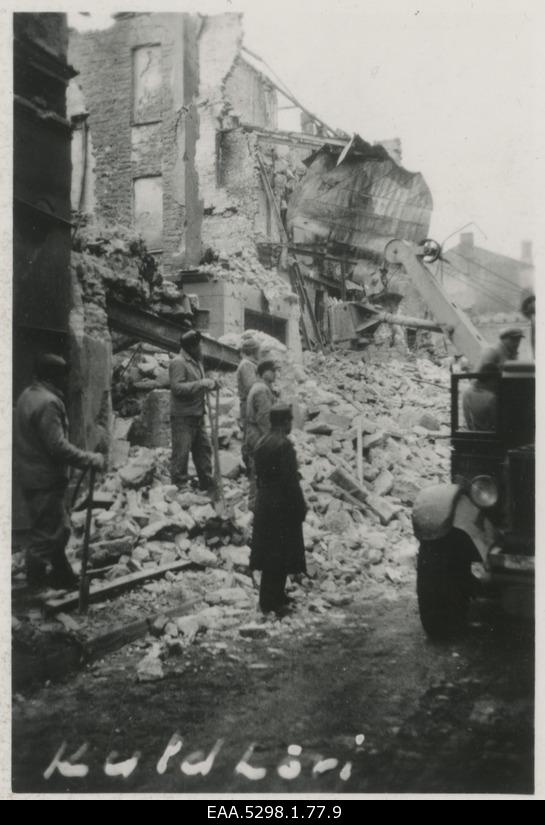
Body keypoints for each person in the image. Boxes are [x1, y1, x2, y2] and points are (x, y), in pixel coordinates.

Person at [13, 353, 105, 589]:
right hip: (45, 479)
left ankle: (63, 576)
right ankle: (35, 585)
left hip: (31, 476)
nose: (66, 381)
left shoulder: (27, 396)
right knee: (49, 535)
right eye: (62, 376)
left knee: (54, 528)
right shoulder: (49, 403)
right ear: (53, 377)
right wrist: (89, 459)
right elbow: (57, 446)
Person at [249, 404, 307, 616]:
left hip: (265, 501)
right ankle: (271, 602)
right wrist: (300, 506)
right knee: (280, 553)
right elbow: (291, 481)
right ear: (285, 422)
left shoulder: (261, 441)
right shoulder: (284, 445)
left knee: (270, 552)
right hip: (282, 504)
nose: (291, 424)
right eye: (290, 420)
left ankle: (275, 596)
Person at [169, 329, 216, 492]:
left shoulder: (197, 361)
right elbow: (176, 387)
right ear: (191, 346)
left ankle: (207, 482)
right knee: (181, 452)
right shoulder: (178, 362)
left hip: (197, 414)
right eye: (199, 345)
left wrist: (213, 384)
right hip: (183, 416)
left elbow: (200, 383)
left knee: (204, 450)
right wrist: (201, 384)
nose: (201, 348)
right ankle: (179, 485)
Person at [462, 328, 524, 431]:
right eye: (514, 340)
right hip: (483, 394)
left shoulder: (512, 354)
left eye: (518, 340)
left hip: (498, 395)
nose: (517, 343)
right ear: (505, 339)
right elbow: (482, 375)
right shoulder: (492, 351)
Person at [245, 359, 278, 509]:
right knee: (260, 468)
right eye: (273, 371)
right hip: (258, 434)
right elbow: (264, 418)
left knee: (257, 468)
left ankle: (256, 502)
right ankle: (256, 503)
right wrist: (272, 439)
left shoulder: (260, 387)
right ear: (265, 373)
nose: (276, 374)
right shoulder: (261, 390)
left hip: (254, 432)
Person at [236, 336, 260, 468]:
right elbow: (252, 386)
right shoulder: (246, 365)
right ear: (253, 351)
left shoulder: (250, 364)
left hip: (253, 405)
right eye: (258, 351)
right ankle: (251, 467)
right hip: (249, 406)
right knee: (251, 436)